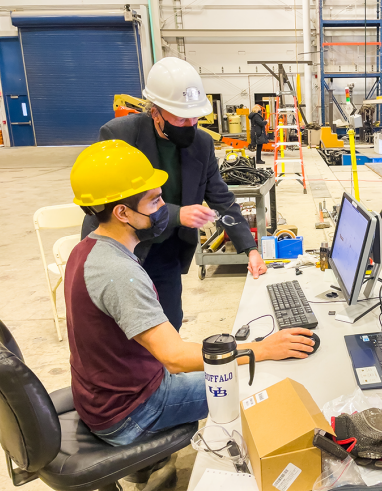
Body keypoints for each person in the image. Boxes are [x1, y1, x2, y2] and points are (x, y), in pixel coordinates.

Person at [66, 140, 315, 448]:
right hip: (131, 410)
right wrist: (261, 349)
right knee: (259, 378)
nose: (164, 209)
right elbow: (176, 358)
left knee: (236, 360)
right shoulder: (118, 272)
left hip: (108, 393)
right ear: (122, 212)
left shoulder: (87, 249)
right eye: (155, 201)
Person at [81, 57, 267, 333]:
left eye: (195, 117)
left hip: (166, 247)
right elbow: (115, 202)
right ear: (155, 112)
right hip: (122, 249)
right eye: (181, 117)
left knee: (169, 324)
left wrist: (250, 248)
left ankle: (164, 376)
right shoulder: (120, 136)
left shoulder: (201, 143)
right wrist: (179, 213)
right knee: (122, 332)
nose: (191, 124)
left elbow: (222, 200)